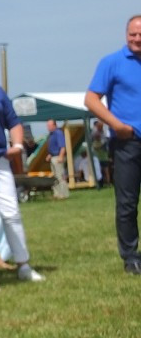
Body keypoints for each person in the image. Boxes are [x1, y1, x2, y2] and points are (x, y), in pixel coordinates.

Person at [84, 14, 141, 275]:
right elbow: (91, 99)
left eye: (140, 34)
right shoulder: (112, 62)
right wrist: (116, 125)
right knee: (127, 202)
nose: (137, 39)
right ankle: (131, 257)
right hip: (128, 142)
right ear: (126, 34)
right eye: (133, 34)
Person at [46, 120, 70, 200]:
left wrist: (61, 156)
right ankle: (57, 194)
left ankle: (64, 194)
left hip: (58, 157)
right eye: (47, 126)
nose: (48, 127)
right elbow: (52, 147)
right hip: (52, 157)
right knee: (54, 177)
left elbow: (62, 146)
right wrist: (49, 155)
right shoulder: (51, 135)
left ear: (54, 125)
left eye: (49, 125)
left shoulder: (58, 133)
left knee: (60, 176)